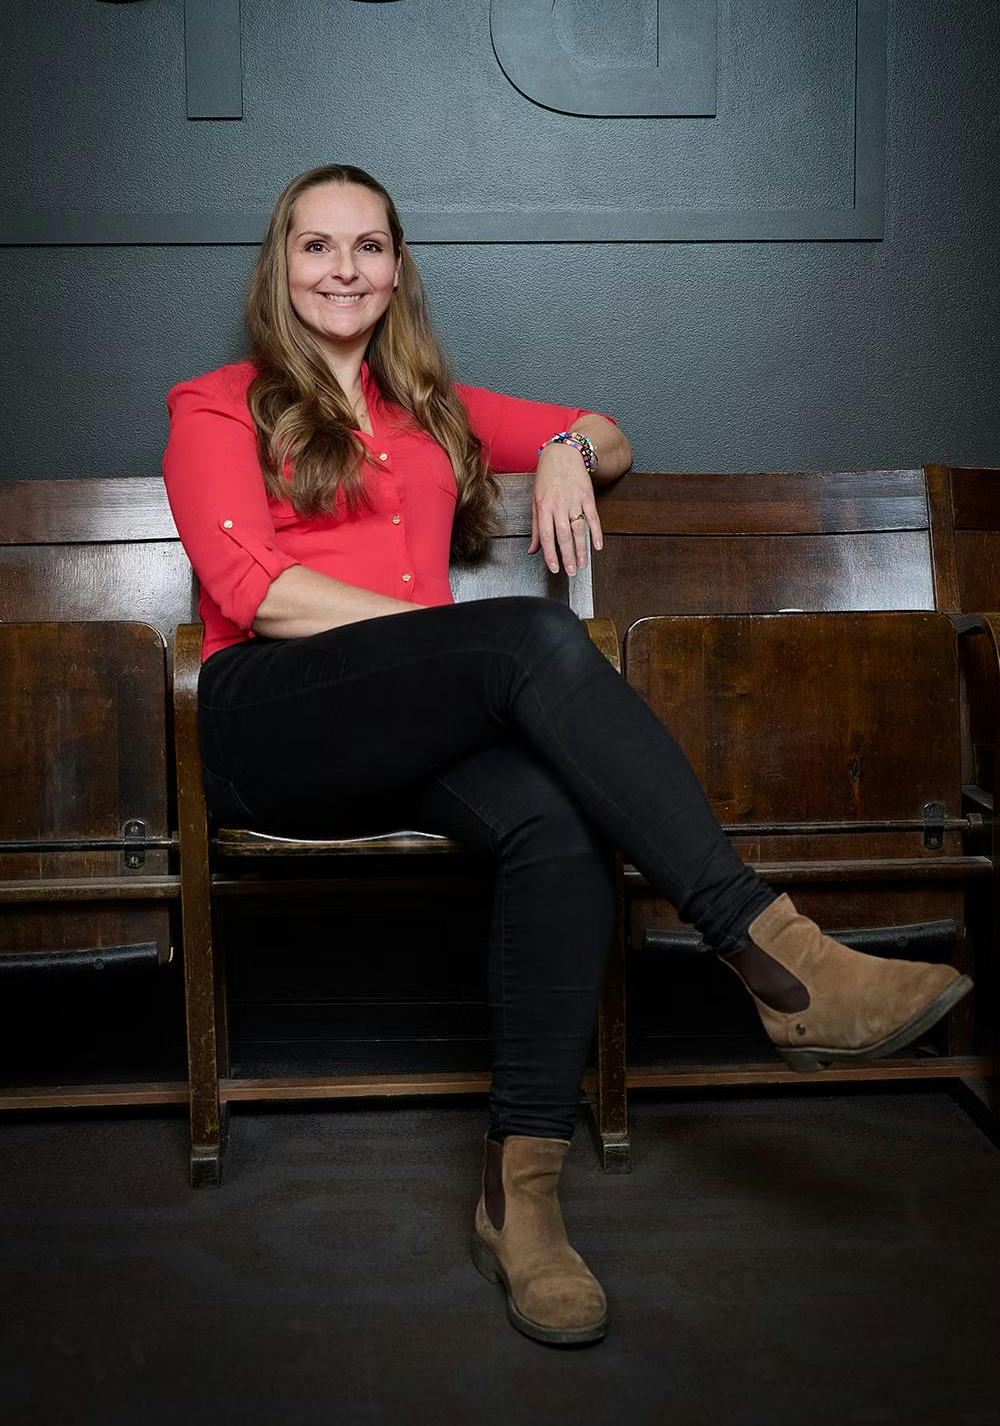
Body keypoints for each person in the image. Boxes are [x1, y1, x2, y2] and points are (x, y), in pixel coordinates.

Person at [163, 164, 972, 1349]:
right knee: (530, 635)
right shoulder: (217, 403)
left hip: (413, 719)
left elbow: (606, 429)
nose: (344, 270)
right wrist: (458, 637)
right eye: (316, 246)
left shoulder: (427, 404)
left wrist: (560, 454)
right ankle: (773, 953)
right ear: (279, 266)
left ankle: (520, 1198)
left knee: (556, 819)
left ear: (398, 269)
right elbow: (257, 592)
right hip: (266, 722)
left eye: (370, 247)